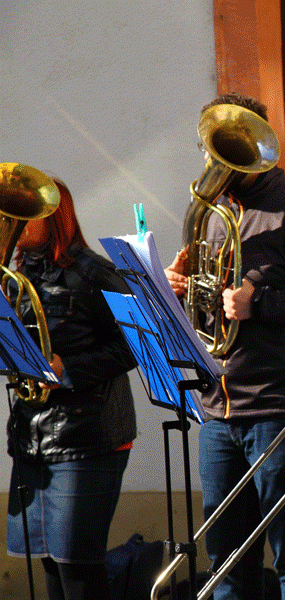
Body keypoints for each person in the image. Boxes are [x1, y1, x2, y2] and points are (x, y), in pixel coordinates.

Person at [165, 93, 285, 600]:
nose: (213, 161)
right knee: (225, 564)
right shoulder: (212, 213)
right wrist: (180, 287)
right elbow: (208, 302)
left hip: (284, 411)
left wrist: (260, 303)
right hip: (219, 410)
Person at [5, 177, 138, 600]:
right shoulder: (16, 275)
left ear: (53, 217)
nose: (12, 222)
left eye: (24, 214)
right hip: (33, 435)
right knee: (50, 561)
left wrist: (69, 368)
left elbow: (135, 344)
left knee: (77, 566)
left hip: (88, 437)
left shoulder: (93, 272)